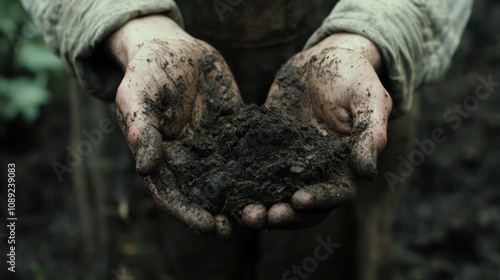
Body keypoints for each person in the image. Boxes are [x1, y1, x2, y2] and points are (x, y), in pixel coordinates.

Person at [21, 0, 472, 279]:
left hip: (350, 90)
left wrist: (367, 36)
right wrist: (135, 31)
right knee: (145, 255)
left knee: (336, 259)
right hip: (139, 79)